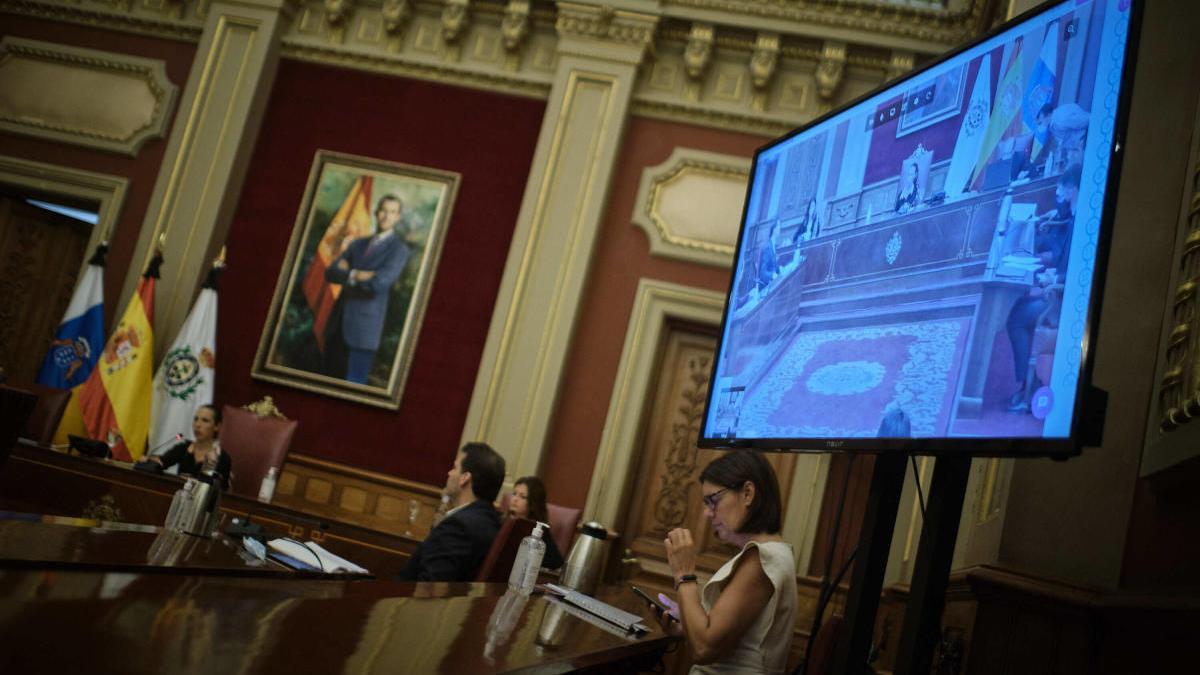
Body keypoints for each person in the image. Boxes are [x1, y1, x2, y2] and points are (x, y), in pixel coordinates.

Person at [659, 451, 797, 674]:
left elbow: (704, 649)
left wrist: (684, 575)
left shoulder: (764, 558)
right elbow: (730, 640)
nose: (707, 513)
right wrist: (688, 627)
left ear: (748, 493)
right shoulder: (770, 553)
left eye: (713, 500)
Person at [1005, 164, 1081, 412]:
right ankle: (1026, 381)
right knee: (1018, 305)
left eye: (1062, 187)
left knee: (1016, 318)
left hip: (1062, 301)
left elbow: (1078, 271)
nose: (1058, 192)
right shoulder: (1072, 215)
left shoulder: (1078, 221)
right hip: (1058, 287)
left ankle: (1027, 385)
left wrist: (1054, 278)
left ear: (1071, 189)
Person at [323, 193, 412, 385]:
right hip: (337, 326)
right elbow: (330, 272)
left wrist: (348, 273)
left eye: (392, 212)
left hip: (363, 332)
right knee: (324, 384)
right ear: (376, 212)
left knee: (351, 391)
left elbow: (379, 284)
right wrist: (357, 274)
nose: (386, 216)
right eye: (383, 211)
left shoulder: (399, 250)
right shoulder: (358, 243)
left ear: (398, 217)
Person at [398, 442, 506, 582]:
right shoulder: (493, 522)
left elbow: (429, 588)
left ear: (464, 478)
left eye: (455, 468)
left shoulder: (458, 527)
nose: (449, 473)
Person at [147, 404, 232, 491]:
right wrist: (148, 461)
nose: (198, 424)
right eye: (196, 419)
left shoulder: (222, 458)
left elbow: (222, 492)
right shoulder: (184, 448)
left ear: (217, 426)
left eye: (205, 420)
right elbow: (160, 462)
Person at [507, 476, 564, 570]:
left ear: (533, 503)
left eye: (522, 496)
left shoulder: (540, 530)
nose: (515, 499)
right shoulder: (503, 521)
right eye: (514, 494)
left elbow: (556, 562)